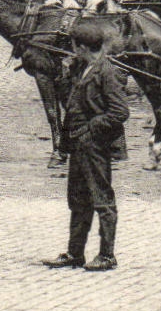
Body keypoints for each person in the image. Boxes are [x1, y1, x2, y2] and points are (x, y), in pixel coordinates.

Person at [43, 19, 129, 271]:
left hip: (94, 146)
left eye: (73, 45)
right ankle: (75, 253)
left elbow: (120, 111)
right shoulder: (83, 68)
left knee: (101, 199)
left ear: (80, 46)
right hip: (78, 146)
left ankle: (107, 255)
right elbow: (71, 103)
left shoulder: (106, 72)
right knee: (78, 199)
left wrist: (93, 128)